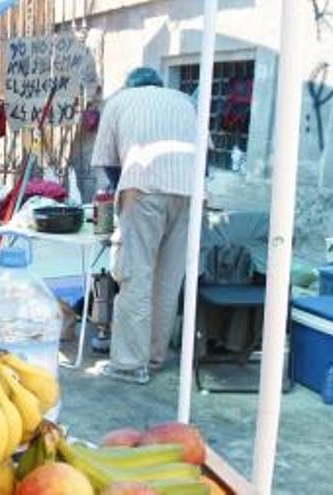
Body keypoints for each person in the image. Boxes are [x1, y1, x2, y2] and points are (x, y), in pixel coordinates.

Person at [90, 67, 197, 384]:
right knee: (168, 278)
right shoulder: (185, 101)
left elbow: (109, 161)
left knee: (136, 276)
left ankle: (128, 364)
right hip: (189, 193)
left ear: (130, 84)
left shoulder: (120, 101)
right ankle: (153, 356)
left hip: (144, 189)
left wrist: (122, 189)